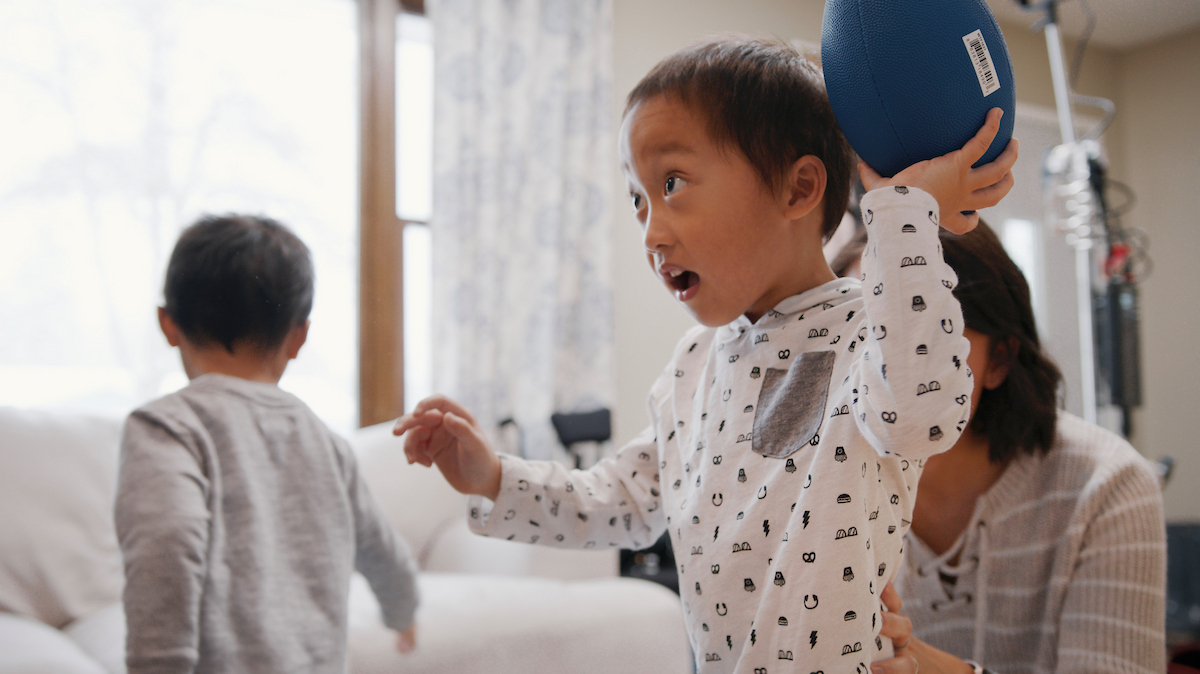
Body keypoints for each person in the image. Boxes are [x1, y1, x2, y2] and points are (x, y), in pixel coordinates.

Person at [394, 36, 1017, 672]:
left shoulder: (870, 327)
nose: (651, 232)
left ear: (798, 189)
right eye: (638, 199)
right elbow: (626, 502)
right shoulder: (694, 364)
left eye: (672, 184)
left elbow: (923, 416)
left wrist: (905, 216)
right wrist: (492, 477)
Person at [115, 215, 420, 673]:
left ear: (168, 323)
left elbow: (168, 546)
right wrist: (404, 612)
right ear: (299, 336)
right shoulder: (325, 441)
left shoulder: (168, 427)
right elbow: (381, 548)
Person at [865, 222, 1167, 674]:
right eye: (865, 335)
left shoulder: (1106, 487)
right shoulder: (825, 488)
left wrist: (930, 668)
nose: (884, 367)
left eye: (924, 339)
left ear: (1000, 359)